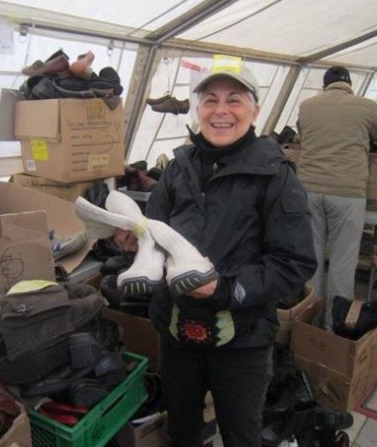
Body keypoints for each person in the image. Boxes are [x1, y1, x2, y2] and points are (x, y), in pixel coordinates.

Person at [114, 63, 317, 446]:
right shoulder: (177, 168)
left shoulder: (276, 175)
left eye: (234, 100)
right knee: (182, 429)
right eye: (210, 100)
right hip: (176, 332)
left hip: (241, 339)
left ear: (254, 112)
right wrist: (134, 241)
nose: (220, 110)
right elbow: (156, 231)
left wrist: (224, 289)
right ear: (198, 109)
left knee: (241, 434)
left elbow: (294, 264)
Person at [296, 65, 377, 328]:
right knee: (343, 261)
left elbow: (302, 135)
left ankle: (307, 320)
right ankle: (335, 325)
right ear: (350, 84)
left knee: (313, 257)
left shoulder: (308, 105)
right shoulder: (365, 105)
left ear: (325, 85)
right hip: (347, 193)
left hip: (308, 190)